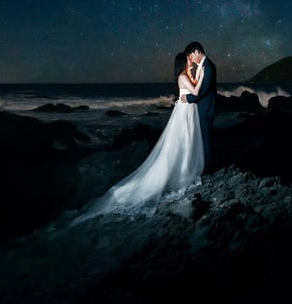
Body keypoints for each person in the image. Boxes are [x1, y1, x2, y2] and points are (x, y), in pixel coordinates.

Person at [71, 52, 205, 224]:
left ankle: (183, 169)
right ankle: (180, 172)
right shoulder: (183, 76)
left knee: (185, 142)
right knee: (182, 142)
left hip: (186, 111)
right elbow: (196, 91)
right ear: (182, 62)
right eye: (187, 59)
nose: (190, 60)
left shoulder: (185, 75)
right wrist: (201, 75)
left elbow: (192, 91)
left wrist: (198, 71)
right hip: (184, 112)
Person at [180, 41, 217, 174]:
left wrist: (188, 98)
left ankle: (209, 169)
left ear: (197, 52)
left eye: (191, 55)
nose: (191, 59)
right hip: (203, 108)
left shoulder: (208, 66)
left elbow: (204, 90)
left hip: (206, 109)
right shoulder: (203, 65)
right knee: (204, 139)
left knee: (206, 140)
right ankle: (206, 166)